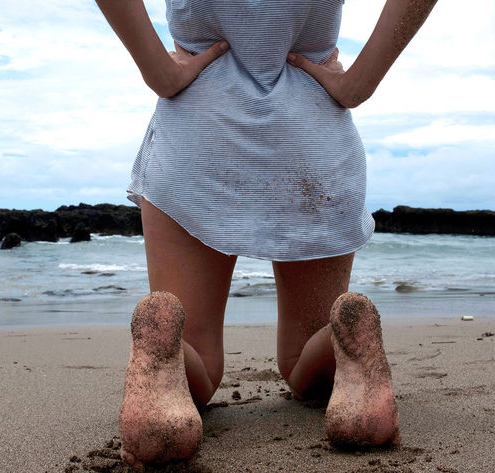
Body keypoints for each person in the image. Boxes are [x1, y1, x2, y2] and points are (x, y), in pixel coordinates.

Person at [95, 0, 438, 469]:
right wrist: (360, 82)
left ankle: (162, 339)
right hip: (311, 135)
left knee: (197, 359)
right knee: (303, 360)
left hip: (199, 127)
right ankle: (345, 333)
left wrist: (158, 70)